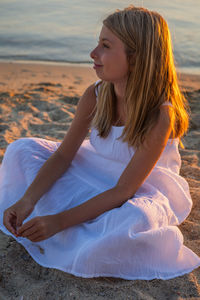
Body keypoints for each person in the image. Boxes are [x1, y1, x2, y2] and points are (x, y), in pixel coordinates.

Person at [0, 5, 200, 280]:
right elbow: (62, 157)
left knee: (130, 221)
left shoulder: (159, 115)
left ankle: (62, 224)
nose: (93, 53)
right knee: (21, 149)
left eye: (105, 46)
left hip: (140, 186)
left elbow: (123, 190)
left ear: (137, 57)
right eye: (98, 43)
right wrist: (27, 200)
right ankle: (54, 219)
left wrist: (59, 221)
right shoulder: (95, 95)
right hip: (94, 167)